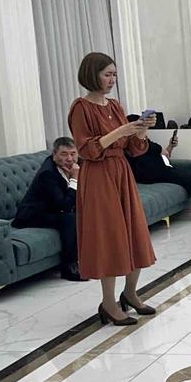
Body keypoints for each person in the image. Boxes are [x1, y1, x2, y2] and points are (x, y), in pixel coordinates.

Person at [68, 53, 158, 326]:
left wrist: (140, 131)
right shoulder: (81, 108)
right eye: (107, 74)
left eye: (114, 75)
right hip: (98, 176)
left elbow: (134, 149)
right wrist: (121, 132)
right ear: (91, 74)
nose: (112, 80)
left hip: (121, 173)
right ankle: (108, 303)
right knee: (110, 237)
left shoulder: (115, 106)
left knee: (135, 232)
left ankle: (130, 293)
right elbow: (86, 149)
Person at [11, 137, 81, 281]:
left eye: (73, 153)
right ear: (54, 155)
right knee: (69, 218)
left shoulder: (77, 165)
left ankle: (91, 258)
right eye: (64, 154)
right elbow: (64, 205)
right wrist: (74, 179)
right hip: (30, 216)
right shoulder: (48, 173)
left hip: (52, 210)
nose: (69, 158)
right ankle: (69, 267)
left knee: (86, 213)